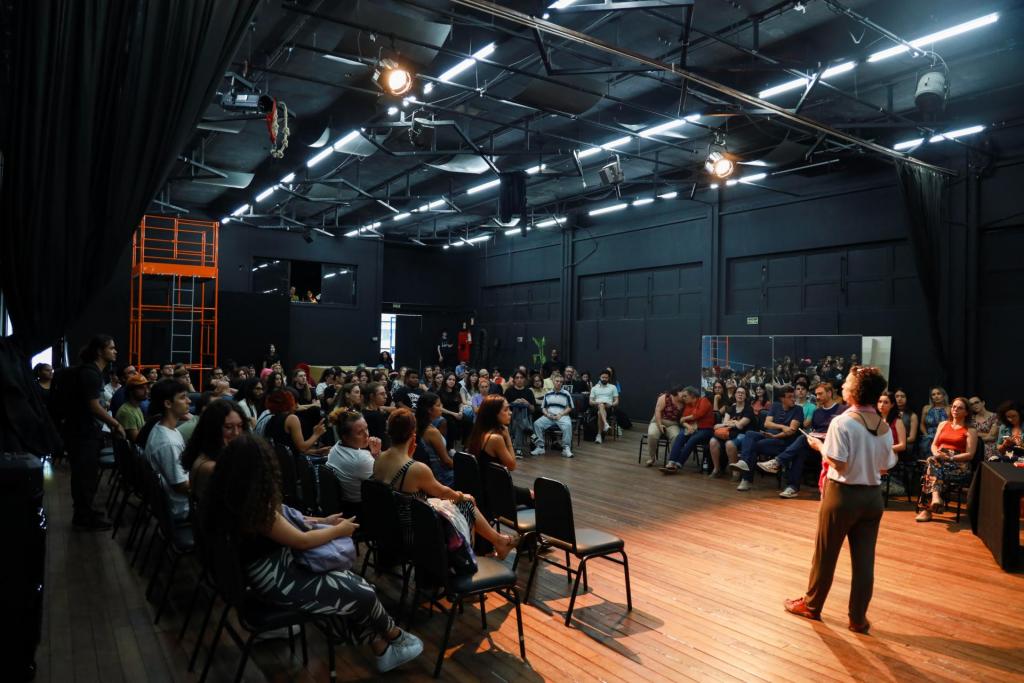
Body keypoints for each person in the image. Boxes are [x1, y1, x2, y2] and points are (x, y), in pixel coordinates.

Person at [201, 434, 423, 672]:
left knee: (353, 586)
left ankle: (382, 648)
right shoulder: (255, 505)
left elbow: (289, 521)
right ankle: (395, 636)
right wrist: (338, 530)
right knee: (362, 593)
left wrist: (324, 521)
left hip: (271, 572)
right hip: (277, 581)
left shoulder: (234, 495)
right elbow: (302, 541)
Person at [784, 366, 895, 633]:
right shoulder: (883, 426)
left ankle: (812, 606)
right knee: (864, 562)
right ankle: (858, 619)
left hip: (843, 496)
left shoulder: (842, 422)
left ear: (855, 390)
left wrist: (819, 446)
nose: (843, 385)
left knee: (825, 555)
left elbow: (839, 464)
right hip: (872, 497)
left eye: (847, 382)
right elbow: (885, 466)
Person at [374, 409, 519, 559]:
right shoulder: (415, 469)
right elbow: (443, 492)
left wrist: (409, 454)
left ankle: (498, 541)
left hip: (390, 527)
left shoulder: (379, 459)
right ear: (413, 434)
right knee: (467, 504)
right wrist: (462, 496)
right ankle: (474, 556)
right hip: (414, 533)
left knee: (459, 503)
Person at [66, 335, 125, 531]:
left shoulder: (92, 371)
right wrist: (115, 424)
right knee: (84, 476)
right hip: (82, 433)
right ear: (100, 351)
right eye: (111, 348)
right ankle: (83, 517)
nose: (115, 351)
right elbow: (93, 406)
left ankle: (85, 511)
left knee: (87, 475)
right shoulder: (91, 373)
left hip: (82, 431)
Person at [758, 382, 846, 498]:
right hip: (816, 446)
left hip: (833, 447)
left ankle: (777, 462)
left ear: (829, 393)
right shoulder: (817, 412)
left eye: (820, 394)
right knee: (801, 448)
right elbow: (815, 430)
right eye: (816, 394)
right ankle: (792, 487)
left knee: (802, 439)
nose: (817, 397)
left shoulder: (842, 410)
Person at [916, 396, 978, 523]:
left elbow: (970, 454)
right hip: (939, 459)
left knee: (931, 469)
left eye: (960, 408)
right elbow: (934, 445)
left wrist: (950, 457)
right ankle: (935, 500)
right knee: (933, 462)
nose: (955, 409)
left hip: (959, 464)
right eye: (954, 407)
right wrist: (936, 453)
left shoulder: (970, 430)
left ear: (966, 412)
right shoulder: (943, 424)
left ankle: (928, 509)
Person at [731, 386, 803, 492]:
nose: (793, 399)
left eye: (794, 397)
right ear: (782, 398)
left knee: (753, 446)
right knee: (749, 434)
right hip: (768, 435)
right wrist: (782, 426)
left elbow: (790, 431)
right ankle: (743, 462)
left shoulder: (798, 410)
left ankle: (746, 480)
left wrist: (775, 435)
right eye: (790, 397)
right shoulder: (776, 406)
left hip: (782, 440)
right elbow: (767, 423)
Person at [467, 395, 534, 508]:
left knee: (532, 494)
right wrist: (507, 438)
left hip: (484, 487)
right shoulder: (495, 438)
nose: (510, 412)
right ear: (494, 414)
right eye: (506, 409)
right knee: (537, 496)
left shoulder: (479, 432)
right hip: (495, 492)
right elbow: (512, 465)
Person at [180, 399, 247, 503]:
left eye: (240, 426)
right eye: (228, 427)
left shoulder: (208, 455)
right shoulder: (211, 467)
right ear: (213, 429)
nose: (236, 433)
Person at [144, 379, 193, 523]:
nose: (189, 401)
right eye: (183, 397)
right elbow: (181, 486)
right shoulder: (168, 443)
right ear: (168, 403)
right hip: (183, 507)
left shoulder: (165, 428)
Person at [326, 408, 382, 509]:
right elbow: (384, 483)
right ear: (345, 437)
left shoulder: (336, 447)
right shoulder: (360, 459)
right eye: (360, 433)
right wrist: (378, 454)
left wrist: (374, 454)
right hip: (363, 509)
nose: (367, 434)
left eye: (366, 428)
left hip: (345, 505)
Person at [659, 387, 713, 475]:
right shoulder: (688, 405)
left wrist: (685, 418)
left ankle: (678, 464)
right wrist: (688, 426)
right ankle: (671, 462)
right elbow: (681, 421)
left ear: (692, 395)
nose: (683, 398)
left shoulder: (704, 401)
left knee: (692, 439)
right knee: (680, 436)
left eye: (685, 396)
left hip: (705, 429)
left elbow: (698, 414)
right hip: (691, 428)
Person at [708, 386, 755, 477]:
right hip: (729, 432)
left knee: (729, 444)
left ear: (746, 396)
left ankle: (735, 472)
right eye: (738, 392)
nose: (740, 394)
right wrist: (733, 422)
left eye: (742, 393)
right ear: (735, 395)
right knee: (713, 441)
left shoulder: (749, 409)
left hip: (743, 434)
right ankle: (717, 469)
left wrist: (733, 422)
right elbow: (726, 423)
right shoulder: (730, 408)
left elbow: (740, 426)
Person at [263, 389, 328, 456]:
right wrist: (316, 434)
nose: (297, 406)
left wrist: (317, 451)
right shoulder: (292, 419)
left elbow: (292, 449)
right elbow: (302, 448)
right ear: (289, 403)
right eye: (295, 402)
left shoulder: (271, 420)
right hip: (292, 461)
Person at [531, 374, 575, 458]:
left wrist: (560, 414)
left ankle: (566, 448)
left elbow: (570, 407)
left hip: (562, 415)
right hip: (549, 416)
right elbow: (543, 408)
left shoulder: (566, 393)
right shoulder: (548, 394)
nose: (559, 383)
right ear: (553, 382)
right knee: (537, 424)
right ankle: (540, 447)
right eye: (557, 381)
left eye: (561, 382)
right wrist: (547, 414)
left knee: (568, 425)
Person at [414, 393, 453, 486]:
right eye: (438, 405)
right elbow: (446, 461)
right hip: (439, 476)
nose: (441, 408)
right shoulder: (432, 431)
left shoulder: (415, 425)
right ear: (429, 410)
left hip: (424, 473)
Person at [502, 370, 537, 454]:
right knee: (517, 410)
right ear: (514, 379)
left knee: (520, 415)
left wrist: (527, 404)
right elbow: (503, 407)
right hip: (511, 417)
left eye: (521, 377)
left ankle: (518, 449)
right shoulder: (509, 391)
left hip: (526, 417)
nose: (519, 379)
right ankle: (530, 433)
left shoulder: (529, 392)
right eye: (517, 378)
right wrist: (513, 403)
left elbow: (533, 409)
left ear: (524, 379)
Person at [115, 374, 150, 444]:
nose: (146, 391)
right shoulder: (127, 412)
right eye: (141, 388)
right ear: (131, 391)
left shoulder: (136, 407)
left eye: (147, 387)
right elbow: (137, 440)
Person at [437, 372, 467, 448]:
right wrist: (454, 414)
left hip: (457, 413)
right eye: (450, 379)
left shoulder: (456, 392)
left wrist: (460, 412)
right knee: (451, 423)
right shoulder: (440, 392)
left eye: (453, 380)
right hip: (446, 413)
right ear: (445, 381)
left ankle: (464, 444)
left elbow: (460, 404)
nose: (452, 381)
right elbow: (440, 408)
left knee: (467, 420)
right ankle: (450, 447)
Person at [589, 370, 619, 444]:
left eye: (606, 377)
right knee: (601, 405)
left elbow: (617, 401)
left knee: (600, 413)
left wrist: (611, 404)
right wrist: (598, 403)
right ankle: (605, 424)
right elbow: (590, 402)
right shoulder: (594, 388)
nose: (604, 379)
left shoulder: (613, 387)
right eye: (603, 377)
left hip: (608, 407)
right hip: (596, 407)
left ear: (609, 378)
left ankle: (599, 435)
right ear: (600, 377)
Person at [919, 387, 950, 456]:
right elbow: (922, 424)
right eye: (933, 394)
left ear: (943, 395)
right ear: (931, 397)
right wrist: (926, 435)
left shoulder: (949, 409)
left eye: (938, 394)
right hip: (928, 438)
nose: (936, 396)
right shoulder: (926, 408)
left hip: (943, 438)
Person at [967, 396, 999, 461]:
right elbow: (968, 434)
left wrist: (976, 435)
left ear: (983, 403)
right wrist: (986, 434)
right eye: (971, 404)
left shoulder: (994, 417)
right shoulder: (971, 419)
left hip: (990, 447)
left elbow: (992, 437)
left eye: (976, 402)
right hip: (976, 446)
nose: (974, 405)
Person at [362, 382, 392, 449]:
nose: (386, 396)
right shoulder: (376, 416)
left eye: (385, 393)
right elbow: (383, 440)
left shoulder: (365, 411)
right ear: (372, 396)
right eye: (382, 394)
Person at [893, 389, 919, 455]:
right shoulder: (889, 413)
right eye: (897, 396)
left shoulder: (912, 415)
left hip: (905, 447)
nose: (899, 399)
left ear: (907, 398)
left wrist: (898, 442)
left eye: (902, 396)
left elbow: (912, 438)